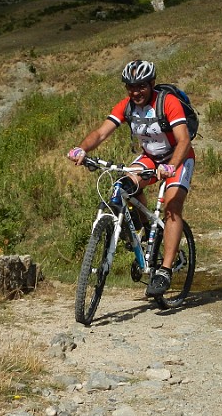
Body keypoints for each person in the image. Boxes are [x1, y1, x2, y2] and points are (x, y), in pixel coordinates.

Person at [67, 60, 195, 296]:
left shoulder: (168, 103)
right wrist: (82, 149)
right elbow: (101, 132)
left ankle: (165, 270)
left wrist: (171, 167)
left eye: (141, 86)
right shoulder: (127, 106)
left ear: (152, 84)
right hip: (149, 157)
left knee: (172, 207)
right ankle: (146, 230)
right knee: (122, 186)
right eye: (130, 87)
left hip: (179, 157)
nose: (135, 92)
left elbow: (184, 140)